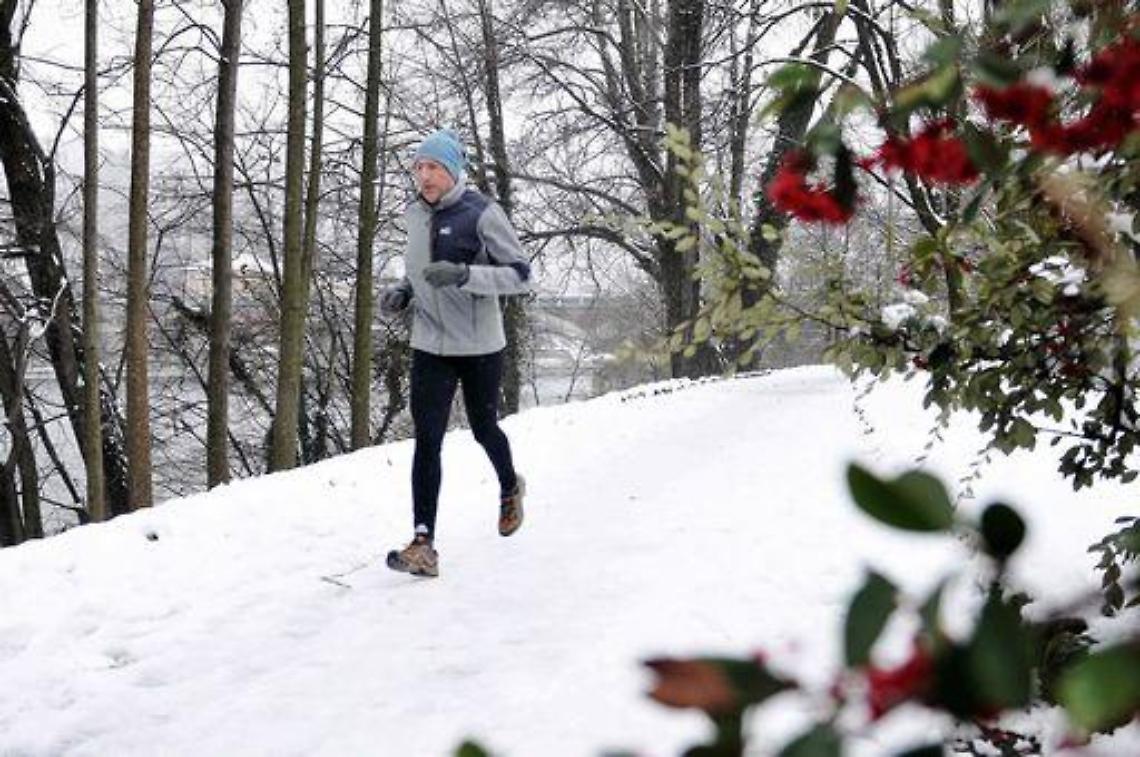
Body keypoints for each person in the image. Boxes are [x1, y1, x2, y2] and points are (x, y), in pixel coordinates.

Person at [380, 128, 531, 578]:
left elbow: (521, 276)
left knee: (485, 427)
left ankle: (509, 486)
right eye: (418, 168)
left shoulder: (482, 213)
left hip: (480, 345)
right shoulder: (413, 213)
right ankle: (423, 543)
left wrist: (467, 275)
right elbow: (419, 273)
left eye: (433, 168)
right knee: (427, 440)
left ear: (453, 171)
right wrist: (403, 292)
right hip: (430, 343)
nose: (423, 176)